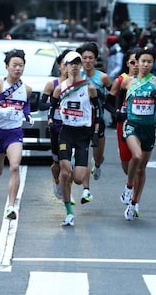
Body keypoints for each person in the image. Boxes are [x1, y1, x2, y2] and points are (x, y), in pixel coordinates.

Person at [0, 49, 33, 220]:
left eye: (21, 66)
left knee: (15, 166)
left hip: (14, 133)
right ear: (7, 67)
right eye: (14, 65)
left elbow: (26, 104)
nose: (18, 69)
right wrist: (0, 110)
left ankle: (11, 206)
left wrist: (27, 114)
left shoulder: (27, 88)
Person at [120, 48, 156, 220]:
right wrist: (119, 113)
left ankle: (134, 203)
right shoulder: (127, 82)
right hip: (132, 125)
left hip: (149, 129)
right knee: (137, 156)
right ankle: (128, 186)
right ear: (137, 63)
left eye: (149, 62)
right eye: (143, 61)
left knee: (142, 168)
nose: (146, 64)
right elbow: (119, 101)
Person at [51, 51, 99, 226]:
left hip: (83, 134)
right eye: (71, 63)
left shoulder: (89, 87)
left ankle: (78, 161)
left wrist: (96, 131)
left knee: (78, 178)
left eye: (77, 63)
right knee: (65, 173)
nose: (74, 66)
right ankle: (69, 212)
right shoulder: (60, 87)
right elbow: (52, 106)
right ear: (65, 65)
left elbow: (98, 110)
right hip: (66, 132)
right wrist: (51, 121)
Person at [77, 42, 112, 201]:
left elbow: (113, 96)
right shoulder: (76, 75)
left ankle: (97, 165)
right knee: (83, 154)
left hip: (99, 120)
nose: (87, 61)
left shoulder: (103, 77)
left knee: (97, 156)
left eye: (91, 58)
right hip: (81, 121)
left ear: (95, 59)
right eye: (84, 58)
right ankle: (86, 189)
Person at [42, 50, 69, 201]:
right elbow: (42, 104)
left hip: (72, 128)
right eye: (65, 64)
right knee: (57, 164)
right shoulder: (52, 84)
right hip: (56, 127)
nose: (68, 67)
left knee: (69, 164)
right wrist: (51, 114)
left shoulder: (79, 85)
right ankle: (57, 181)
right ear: (60, 66)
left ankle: (67, 193)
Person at [110, 48, 138, 175]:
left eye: (139, 61)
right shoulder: (120, 81)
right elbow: (108, 101)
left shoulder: (151, 81)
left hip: (141, 123)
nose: (136, 65)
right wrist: (116, 112)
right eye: (133, 62)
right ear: (127, 63)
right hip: (124, 122)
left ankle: (132, 190)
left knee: (138, 160)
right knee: (126, 163)